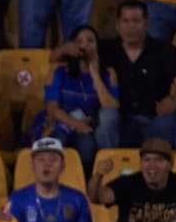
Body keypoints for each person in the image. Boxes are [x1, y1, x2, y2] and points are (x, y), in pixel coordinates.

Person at [97, 0, 176, 148]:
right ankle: (107, 164)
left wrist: (174, 99)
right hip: (122, 123)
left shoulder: (165, 50)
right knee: (106, 116)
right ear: (117, 26)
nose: (131, 26)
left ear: (146, 24)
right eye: (125, 21)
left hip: (157, 121)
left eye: (136, 21)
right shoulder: (104, 50)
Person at [27, 25, 119, 173]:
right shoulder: (60, 70)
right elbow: (52, 109)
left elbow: (111, 108)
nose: (85, 45)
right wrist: (77, 124)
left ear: (97, 46)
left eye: (90, 41)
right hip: (61, 122)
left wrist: (95, 74)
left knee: (87, 148)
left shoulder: (108, 73)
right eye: (80, 41)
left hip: (86, 126)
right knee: (58, 141)